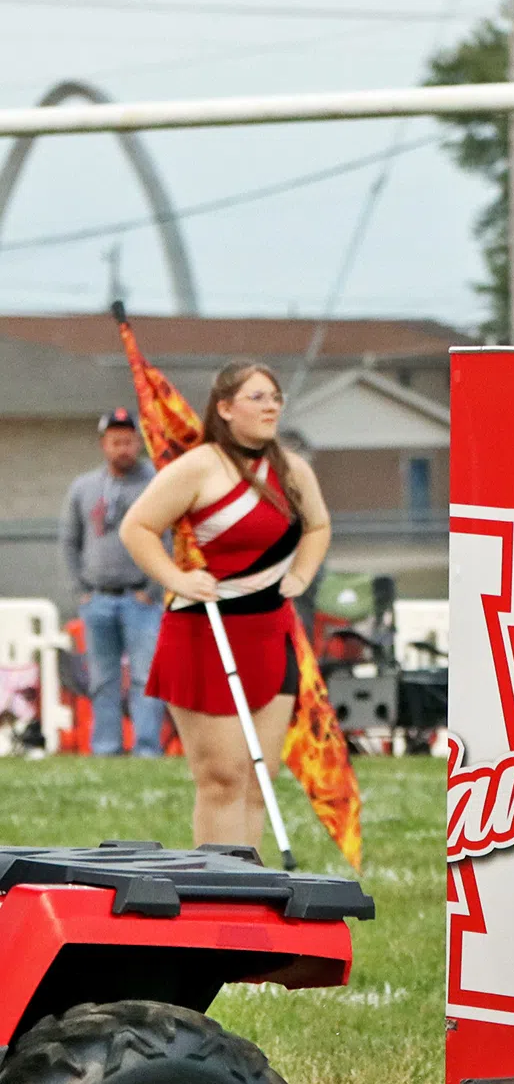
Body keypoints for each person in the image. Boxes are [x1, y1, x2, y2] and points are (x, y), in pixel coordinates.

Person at [119, 363, 329, 849]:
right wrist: (177, 578)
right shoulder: (198, 467)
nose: (271, 405)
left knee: (261, 777)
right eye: (257, 397)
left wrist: (300, 575)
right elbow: (138, 527)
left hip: (270, 635)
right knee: (223, 776)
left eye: (276, 397)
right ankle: (217, 890)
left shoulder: (292, 470)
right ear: (225, 408)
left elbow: (318, 525)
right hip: (204, 634)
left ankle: (251, 895)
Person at [58, 407, 164, 756]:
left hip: (142, 599)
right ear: (104, 444)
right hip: (97, 599)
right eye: (116, 442)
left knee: (146, 678)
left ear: (139, 444)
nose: (123, 449)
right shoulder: (83, 488)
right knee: (102, 679)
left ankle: (147, 748)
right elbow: (70, 541)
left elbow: (170, 538)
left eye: (129, 442)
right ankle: (106, 747)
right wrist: (81, 591)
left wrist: (153, 588)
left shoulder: (156, 484)